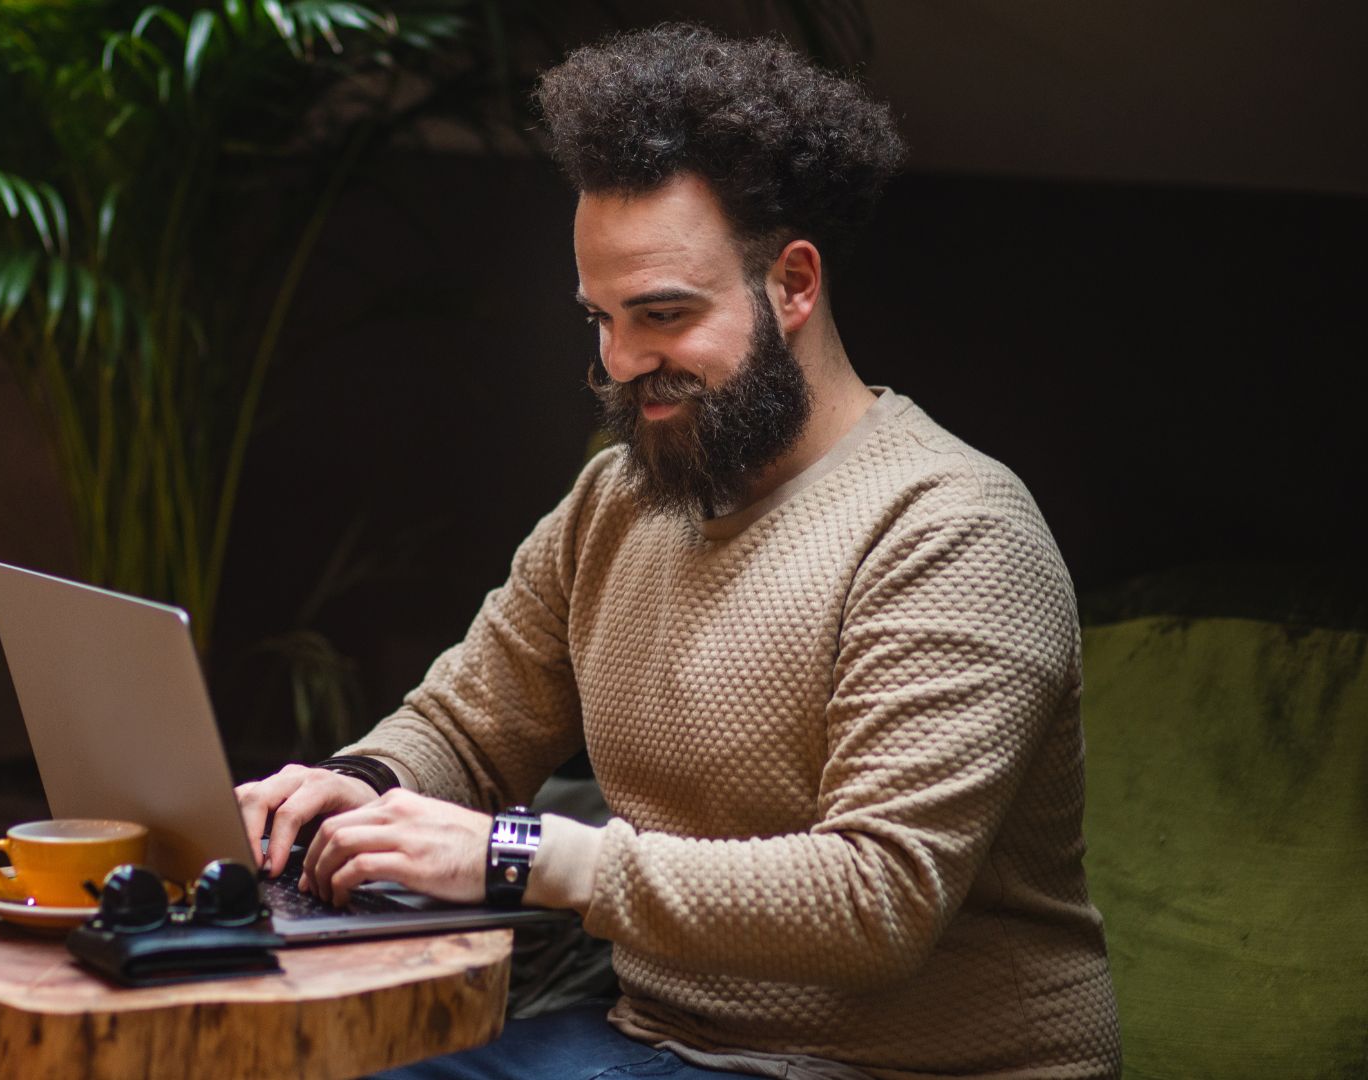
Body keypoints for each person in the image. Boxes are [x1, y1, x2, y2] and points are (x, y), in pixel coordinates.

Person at [234, 24, 1120, 1080]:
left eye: (661, 314)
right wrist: (361, 784)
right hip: (662, 1042)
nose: (620, 363)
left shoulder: (955, 528)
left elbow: (875, 901)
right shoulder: (623, 497)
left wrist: (523, 857)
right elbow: (470, 727)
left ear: (792, 285)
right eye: (600, 318)